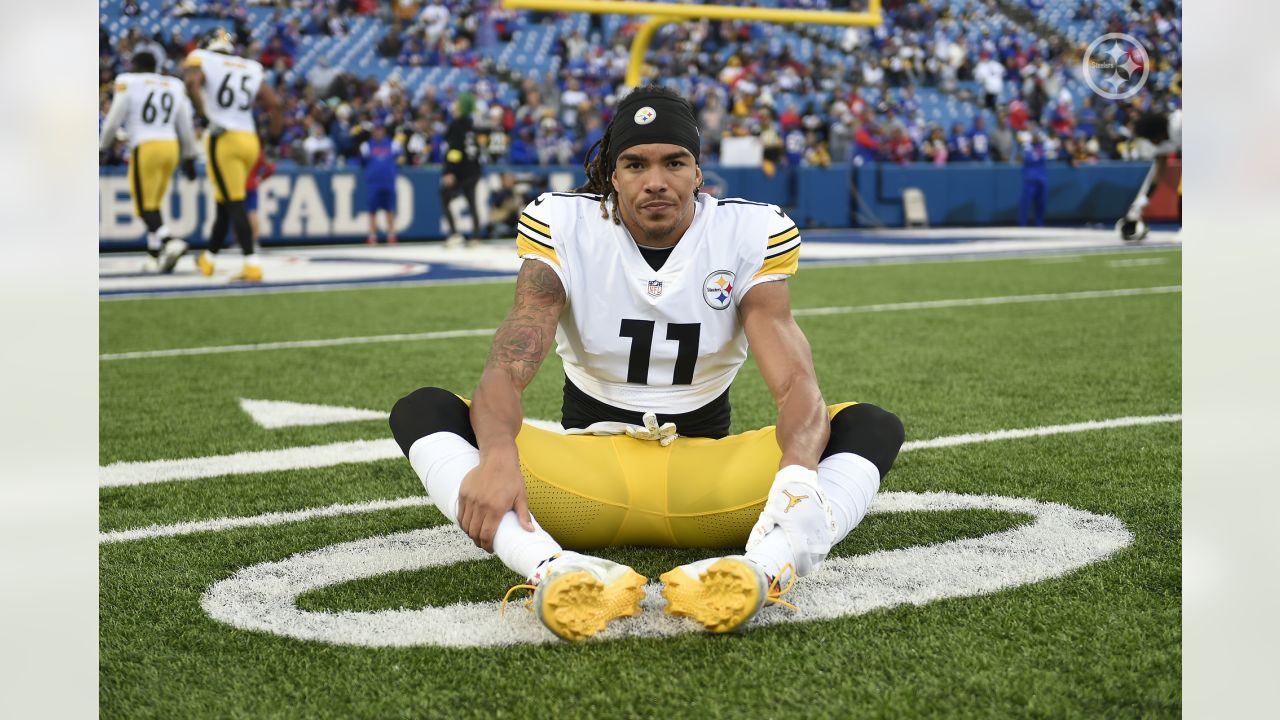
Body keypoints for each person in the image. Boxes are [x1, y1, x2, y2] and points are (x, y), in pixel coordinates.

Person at [389, 85, 903, 642]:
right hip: (585, 474)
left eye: (674, 162)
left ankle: (761, 568)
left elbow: (794, 380)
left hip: (705, 475)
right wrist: (496, 455)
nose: (655, 180)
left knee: (868, 425)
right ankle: (554, 569)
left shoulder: (746, 233)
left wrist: (798, 474)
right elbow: (510, 357)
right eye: (635, 163)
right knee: (425, 410)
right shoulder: (566, 222)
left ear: (699, 174)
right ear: (612, 174)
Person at [183, 28, 283, 282]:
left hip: (224, 138)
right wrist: (273, 139)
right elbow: (274, 104)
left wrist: (206, 118)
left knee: (234, 202)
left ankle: (251, 263)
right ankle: (209, 258)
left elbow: (191, 83)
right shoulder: (250, 66)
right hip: (249, 140)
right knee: (225, 202)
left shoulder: (201, 58)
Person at [98, 50, 199, 274]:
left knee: (143, 206)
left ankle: (169, 240)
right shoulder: (173, 84)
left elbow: (114, 119)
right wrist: (190, 154)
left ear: (134, 65)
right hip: (170, 146)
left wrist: (102, 146)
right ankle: (154, 255)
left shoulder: (128, 81)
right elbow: (185, 123)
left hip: (146, 146)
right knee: (153, 203)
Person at [1117, 103, 1181, 242]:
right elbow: (1160, 169)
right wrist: (1145, 198)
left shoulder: (1179, 123)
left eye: (1150, 138)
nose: (1152, 142)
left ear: (1157, 131)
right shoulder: (1163, 140)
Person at [440, 92, 482, 247]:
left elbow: (455, 150)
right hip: (474, 169)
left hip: (461, 171)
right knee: (471, 201)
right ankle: (476, 235)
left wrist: (450, 171)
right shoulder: (472, 124)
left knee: (444, 196)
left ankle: (454, 233)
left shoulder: (456, 124)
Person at [360, 123, 402, 245]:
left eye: (380, 130)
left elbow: (399, 159)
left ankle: (391, 234)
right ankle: (372, 235)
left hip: (388, 181)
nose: (378, 132)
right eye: (376, 130)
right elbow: (363, 162)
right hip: (373, 182)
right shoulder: (367, 146)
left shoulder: (393, 144)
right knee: (372, 210)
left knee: (390, 209)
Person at [1019, 126, 1049, 227]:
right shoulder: (1027, 147)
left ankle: (1039, 223)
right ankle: (1022, 223)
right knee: (1025, 203)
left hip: (1041, 179)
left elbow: (1045, 158)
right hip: (1030, 179)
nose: (1036, 137)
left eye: (1038, 135)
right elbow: (1029, 159)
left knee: (1041, 203)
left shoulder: (1042, 147)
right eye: (1035, 135)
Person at [245, 148, 275, 248]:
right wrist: (260, 178)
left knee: (240, 213)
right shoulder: (256, 151)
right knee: (252, 213)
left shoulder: (239, 148)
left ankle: (241, 240)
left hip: (239, 184)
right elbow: (270, 168)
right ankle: (254, 240)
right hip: (251, 185)